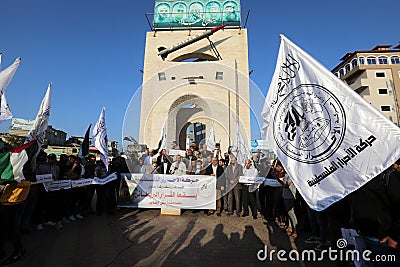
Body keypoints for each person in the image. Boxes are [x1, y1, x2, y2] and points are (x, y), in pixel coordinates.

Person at [276, 161, 298, 238]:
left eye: (278, 166)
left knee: (291, 213)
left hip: (290, 196)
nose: (277, 168)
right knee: (288, 212)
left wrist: (279, 181)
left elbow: (286, 185)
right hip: (285, 195)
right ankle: (290, 226)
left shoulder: (290, 174)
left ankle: (295, 230)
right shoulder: (286, 174)